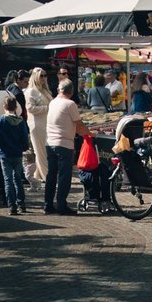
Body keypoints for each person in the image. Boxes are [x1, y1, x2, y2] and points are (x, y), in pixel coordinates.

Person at [43, 80, 90, 214]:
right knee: (64, 176)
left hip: (50, 142)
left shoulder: (53, 102)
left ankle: (48, 203)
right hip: (64, 144)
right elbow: (79, 125)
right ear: (71, 91)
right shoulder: (70, 104)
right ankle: (62, 205)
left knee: (51, 175)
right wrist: (89, 133)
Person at [0, 95, 30, 215]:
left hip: (4, 153)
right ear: (16, 107)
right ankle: (21, 203)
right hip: (17, 153)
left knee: (8, 180)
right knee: (18, 178)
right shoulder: (21, 121)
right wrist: (23, 147)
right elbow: (25, 138)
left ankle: (12, 206)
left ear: (4, 107)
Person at [25, 67, 53, 185]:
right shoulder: (31, 91)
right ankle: (47, 177)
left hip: (46, 124)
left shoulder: (44, 90)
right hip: (37, 125)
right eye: (41, 76)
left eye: (45, 75)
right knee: (41, 152)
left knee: (43, 151)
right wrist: (47, 108)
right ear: (35, 77)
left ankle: (38, 175)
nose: (44, 78)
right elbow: (30, 108)